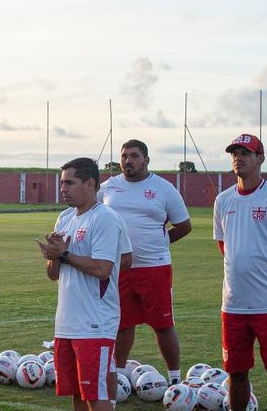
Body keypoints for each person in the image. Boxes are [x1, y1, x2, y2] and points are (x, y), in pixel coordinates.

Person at [37, 157, 131, 411]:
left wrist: (65, 255)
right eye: (62, 183)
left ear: (90, 184)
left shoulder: (104, 219)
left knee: (96, 396)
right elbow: (53, 275)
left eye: (69, 182)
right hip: (67, 323)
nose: (63, 188)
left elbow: (103, 269)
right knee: (78, 394)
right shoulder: (65, 218)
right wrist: (52, 256)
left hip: (95, 323)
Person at [97, 139, 191, 385]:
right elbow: (93, 216)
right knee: (123, 325)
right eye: (125, 156)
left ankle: (174, 379)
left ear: (146, 160)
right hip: (121, 269)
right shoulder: (107, 188)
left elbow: (184, 226)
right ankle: (117, 377)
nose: (128, 160)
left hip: (155, 268)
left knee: (163, 324)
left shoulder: (164, 188)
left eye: (135, 156)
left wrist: (160, 243)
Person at [213, 133, 267, 410]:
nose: (238, 158)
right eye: (234, 153)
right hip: (233, 305)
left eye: (245, 153)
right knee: (236, 373)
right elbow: (224, 246)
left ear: (260, 159)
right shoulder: (223, 200)